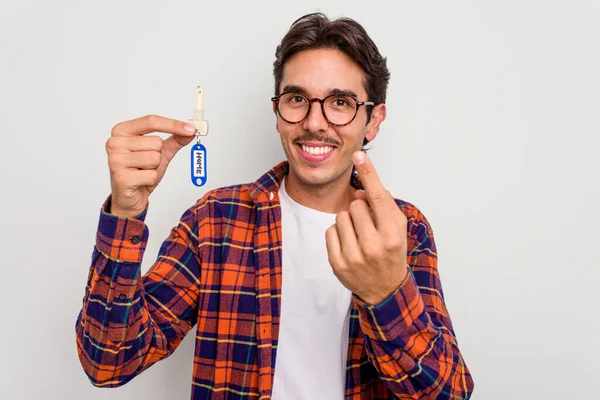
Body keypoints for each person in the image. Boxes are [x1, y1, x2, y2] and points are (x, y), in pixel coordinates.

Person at [76, 12, 474, 400]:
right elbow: (109, 362)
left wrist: (386, 294)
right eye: (297, 98)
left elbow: (447, 393)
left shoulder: (402, 229)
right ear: (277, 112)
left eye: (340, 102)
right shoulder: (214, 220)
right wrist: (125, 214)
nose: (315, 122)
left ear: (372, 120)